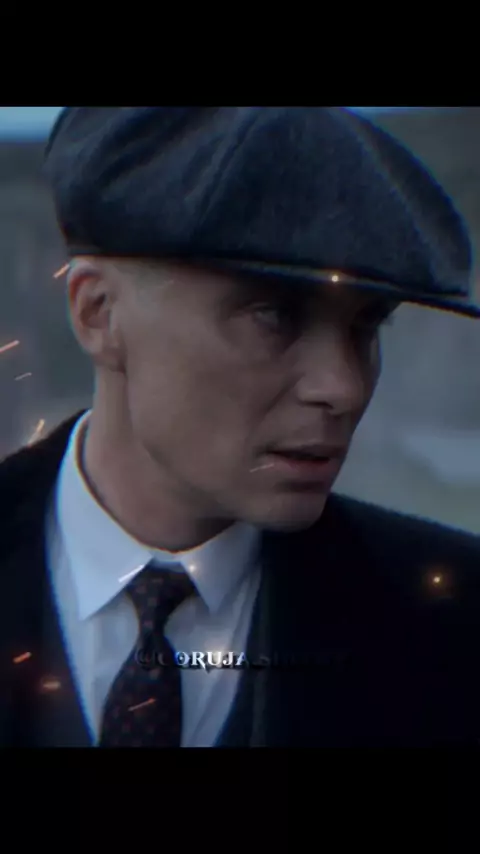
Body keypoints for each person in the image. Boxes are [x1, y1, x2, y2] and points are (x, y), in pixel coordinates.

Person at [1, 106, 480, 747]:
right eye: (275, 315)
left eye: (366, 326)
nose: (342, 387)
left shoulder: (450, 622)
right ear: (98, 313)